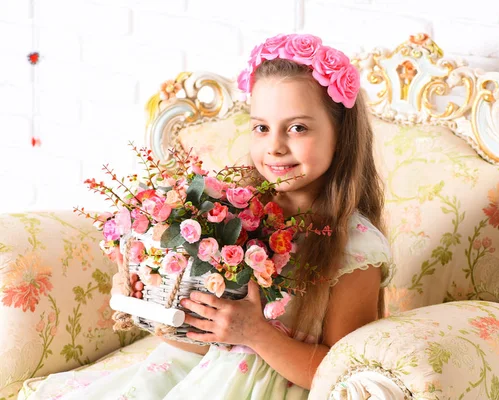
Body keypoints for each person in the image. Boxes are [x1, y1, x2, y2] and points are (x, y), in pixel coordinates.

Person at [19, 33, 394, 400]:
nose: (276, 146)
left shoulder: (355, 247)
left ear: (341, 135)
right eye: (262, 127)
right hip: (197, 372)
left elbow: (345, 375)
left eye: (297, 128)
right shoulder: (234, 214)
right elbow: (201, 338)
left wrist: (257, 334)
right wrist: (148, 303)